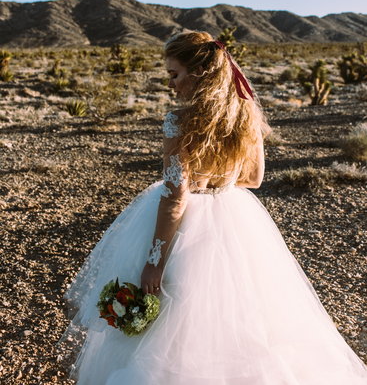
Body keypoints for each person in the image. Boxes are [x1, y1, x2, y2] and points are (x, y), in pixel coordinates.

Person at [58, 31, 367, 384]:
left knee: (173, 322)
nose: (170, 83)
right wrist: (220, 175)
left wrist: (153, 263)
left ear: (199, 73)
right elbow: (253, 178)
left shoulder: (179, 121)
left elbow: (175, 197)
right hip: (234, 219)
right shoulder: (246, 114)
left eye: (174, 74)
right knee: (243, 318)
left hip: (188, 224)